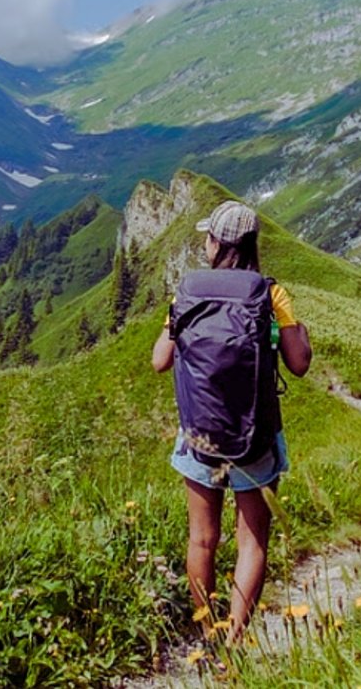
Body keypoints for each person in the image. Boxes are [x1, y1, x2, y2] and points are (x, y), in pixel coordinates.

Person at [150, 200, 312, 645]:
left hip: (199, 434)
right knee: (251, 540)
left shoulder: (186, 293)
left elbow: (159, 360)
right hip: (255, 434)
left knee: (202, 539)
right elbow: (298, 365)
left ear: (219, 243)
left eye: (208, 237)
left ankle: (206, 631)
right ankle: (235, 640)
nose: (205, 243)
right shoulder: (270, 294)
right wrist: (299, 333)